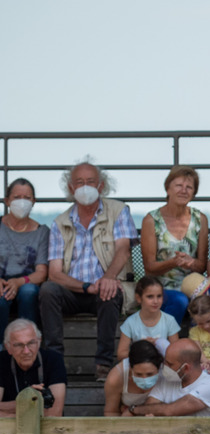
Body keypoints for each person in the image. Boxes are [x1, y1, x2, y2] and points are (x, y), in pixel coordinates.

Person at [40, 159, 137, 380]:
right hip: (75, 290)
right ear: (70, 188)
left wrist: (108, 278)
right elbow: (54, 273)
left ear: (101, 186)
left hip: (106, 287)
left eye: (91, 181)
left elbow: (123, 249)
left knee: (110, 291)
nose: (85, 187)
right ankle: (54, 361)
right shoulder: (60, 222)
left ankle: (103, 364)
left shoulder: (118, 211)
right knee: (47, 290)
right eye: (79, 182)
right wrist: (86, 286)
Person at [139, 165, 208, 325]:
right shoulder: (151, 220)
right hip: (160, 286)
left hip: (192, 284)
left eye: (189, 187)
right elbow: (149, 268)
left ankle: (200, 346)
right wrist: (173, 262)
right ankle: (163, 344)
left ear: (193, 193)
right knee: (180, 301)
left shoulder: (200, 219)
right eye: (178, 185)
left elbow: (202, 266)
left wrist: (191, 263)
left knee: (206, 299)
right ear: (168, 189)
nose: (183, 190)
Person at [0, 178, 49, 334]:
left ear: (33, 201)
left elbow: (41, 272)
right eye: (16, 198)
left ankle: (28, 342)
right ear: (7, 201)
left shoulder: (42, 232)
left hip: (26, 286)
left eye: (27, 198)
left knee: (29, 292)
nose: (22, 202)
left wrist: (17, 282)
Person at [116, 276, 180, 361]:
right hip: (138, 367)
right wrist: (141, 349)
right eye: (150, 297)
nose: (155, 301)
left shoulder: (169, 321)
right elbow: (121, 354)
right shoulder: (130, 322)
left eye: (159, 296)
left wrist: (161, 345)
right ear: (139, 298)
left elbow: (176, 352)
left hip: (162, 366)